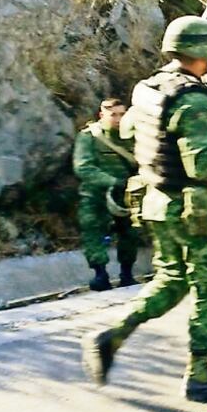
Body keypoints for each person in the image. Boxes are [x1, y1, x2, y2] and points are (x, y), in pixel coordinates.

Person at [82, 16, 207, 403]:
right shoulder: (194, 99)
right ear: (199, 51)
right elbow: (204, 165)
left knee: (172, 280)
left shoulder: (147, 89)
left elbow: (129, 133)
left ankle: (111, 335)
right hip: (193, 205)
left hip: (155, 200)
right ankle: (199, 376)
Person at [73, 98, 143, 291]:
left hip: (126, 194)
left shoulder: (131, 136)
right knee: (93, 231)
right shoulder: (89, 137)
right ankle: (100, 275)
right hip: (95, 195)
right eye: (113, 115)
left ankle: (127, 274)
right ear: (102, 115)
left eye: (122, 114)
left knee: (130, 233)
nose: (118, 119)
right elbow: (83, 167)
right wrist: (111, 182)